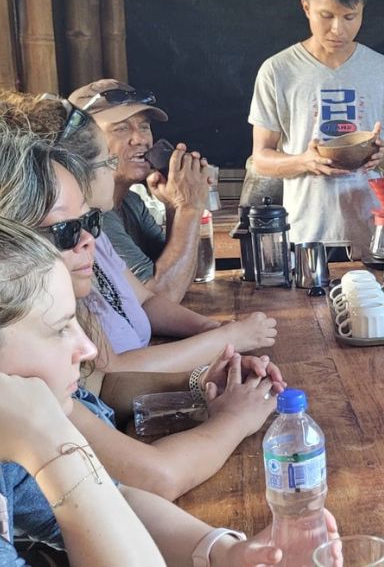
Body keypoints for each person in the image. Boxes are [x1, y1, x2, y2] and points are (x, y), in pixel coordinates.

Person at [0, 215, 337, 565]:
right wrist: (55, 448)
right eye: (59, 330)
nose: (88, 350)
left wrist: (226, 552)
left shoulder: (10, 454)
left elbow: (119, 502)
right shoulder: (36, 435)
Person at [0, 129, 281, 500]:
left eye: (92, 223)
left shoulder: (64, 316)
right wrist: (235, 419)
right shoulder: (21, 373)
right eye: (67, 230)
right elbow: (156, 479)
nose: (90, 241)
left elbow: (103, 385)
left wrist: (199, 380)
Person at [0, 92, 278, 372]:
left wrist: (213, 329)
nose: (140, 140)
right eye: (107, 161)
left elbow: (145, 300)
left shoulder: (99, 226)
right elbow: (110, 375)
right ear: (73, 168)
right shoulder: (50, 258)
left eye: (144, 127)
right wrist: (226, 339)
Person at [250, 0, 384, 260]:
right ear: (306, 7)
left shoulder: (383, 70)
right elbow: (261, 159)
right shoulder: (278, 70)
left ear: (362, 10)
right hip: (306, 233)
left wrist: (380, 155)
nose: (339, 29)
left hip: (371, 233)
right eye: (327, 16)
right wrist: (304, 162)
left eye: (350, 17)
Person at [67, 79, 210, 304]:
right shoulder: (89, 214)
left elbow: (182, 276)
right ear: (83, 142)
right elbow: (162, 298)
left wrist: (174, 206)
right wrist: (189, 206)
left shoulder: (131, 202)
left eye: (144, 126)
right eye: (122, 128)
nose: (141, 139)